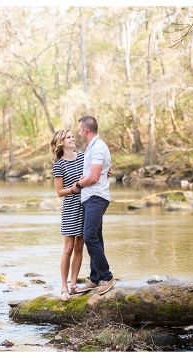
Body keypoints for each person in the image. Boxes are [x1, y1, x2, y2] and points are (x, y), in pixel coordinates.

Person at [72, 115, 115, 295]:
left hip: (96, 197)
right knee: (96, 236)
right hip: (90, 198)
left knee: (89, 236)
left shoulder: (98, 147)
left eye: (79, 129)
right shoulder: (92, 147)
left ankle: (107, 277)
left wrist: (78, 185)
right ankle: (96, 278)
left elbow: (94, 176)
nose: (78, 132)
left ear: (85, 130)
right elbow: (97, 170)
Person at [50, 129, 85, 301]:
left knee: (79, 247)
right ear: (61, 142)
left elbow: (96, 172)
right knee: (68, 248)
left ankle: (73, 285)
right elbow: (59, 191)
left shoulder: (84, 157)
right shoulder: (59, 164)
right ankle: (63, 287)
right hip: (70, 208)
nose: (73, 139)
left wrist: (106, 173)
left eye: (73, 136)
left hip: (86, 206)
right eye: (68, 137)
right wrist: (73, 189)